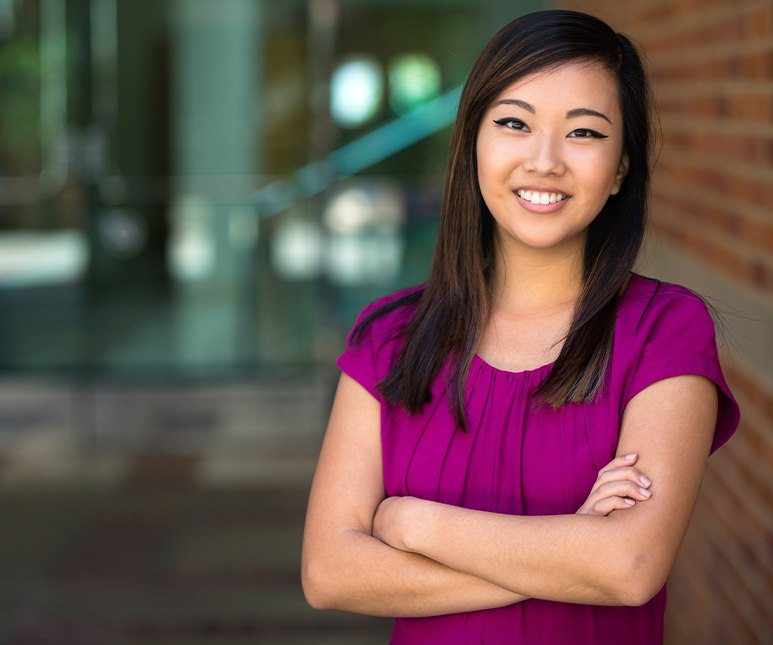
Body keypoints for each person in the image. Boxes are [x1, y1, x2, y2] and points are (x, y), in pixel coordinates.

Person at [301, 9, 741, 644]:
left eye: (584, 134)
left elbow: (630, 566)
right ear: (474, 143)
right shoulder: (389, 340)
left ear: (621, 168)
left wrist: (413, 526)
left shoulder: (664, 332)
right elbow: (330, 572)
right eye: (513, 123)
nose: (545, 161)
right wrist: (573, 546)